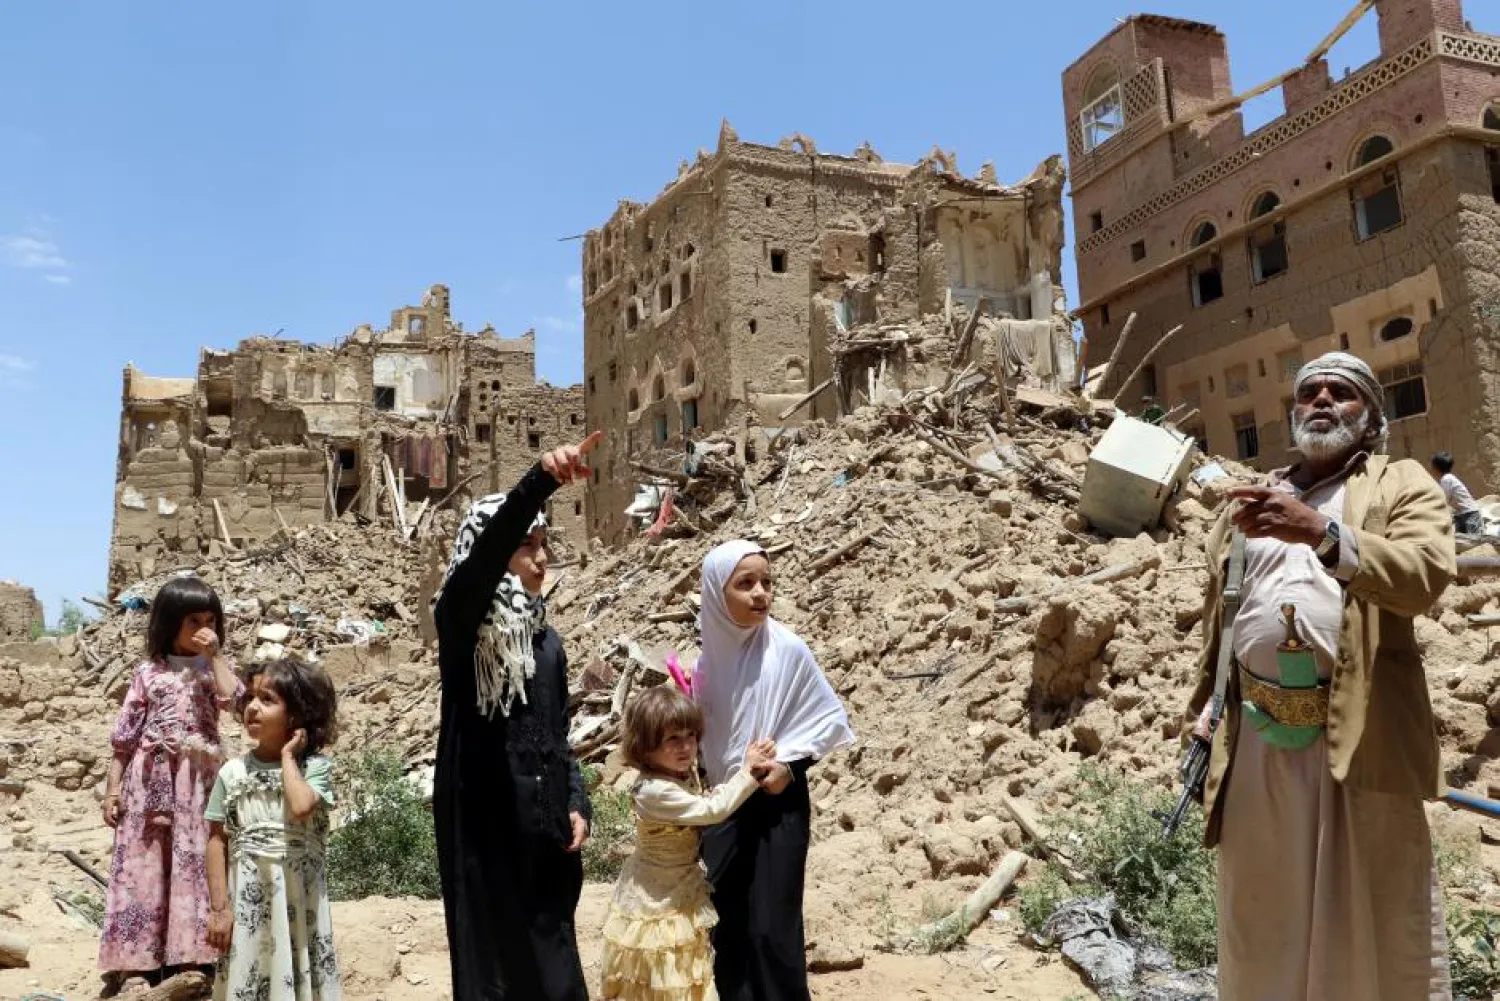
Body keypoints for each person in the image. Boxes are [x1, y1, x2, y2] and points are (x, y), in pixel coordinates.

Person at [1187, 351, 1456, 1000]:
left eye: (1342, 393)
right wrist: (1205, 716)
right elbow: (1222, 618)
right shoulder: (1253, 502)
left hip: (1358, 742)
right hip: (1256, 743)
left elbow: (1425, 574)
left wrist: (1324, 535)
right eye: (1309, 392)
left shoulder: (1401, 484)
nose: (1322, 401)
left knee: (1371, 919)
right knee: (1263, 916)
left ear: (1370, 419)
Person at [431, 432, 601, 1001]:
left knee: (556, 972)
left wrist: (578, 803)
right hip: (486, 832)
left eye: (545, 543)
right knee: (496, 974)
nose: (542, 557)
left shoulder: (545, 640)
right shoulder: (463, 628)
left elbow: (559, 737)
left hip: (545, 833)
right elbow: (476, 571)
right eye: (527, 543)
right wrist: (539, 482)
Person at [696, 540, 855, 1001]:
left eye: (766, 582)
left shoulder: (787, 650)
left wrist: (789, 765)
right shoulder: (708, 663)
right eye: (745, 584)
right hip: (724, 805)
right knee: (727, 926)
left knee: (772, 929)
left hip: (776, 803)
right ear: (715, 594)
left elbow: (826, 719)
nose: (760, 593)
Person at [98, 577, 243, 992]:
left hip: (199, 784)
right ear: (169, 623)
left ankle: (193, 959)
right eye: (193, 620)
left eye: (210, 619)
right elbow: (123, 739)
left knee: (195, 864)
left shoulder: (214, 671)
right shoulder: (147, 674)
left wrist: (215, 657)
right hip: (148, 785)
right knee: (142, 868)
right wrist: (112, 791)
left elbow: (235, 702)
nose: (204, 628)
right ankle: (136, 966)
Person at [599, 686, 778, 1001]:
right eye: (672, 739)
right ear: (645, 745)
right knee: (662, 970)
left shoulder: (677, 774)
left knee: (682, 967)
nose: (686, 747)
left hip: (679, 889)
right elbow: (712, 810)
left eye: (691, 736)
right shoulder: (653, 790)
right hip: (658, 900)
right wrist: (747, 772)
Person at [205, 659, 341, 1001]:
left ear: (296, 716)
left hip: (301, 903)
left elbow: (300, 806)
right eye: (250, 697)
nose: (252, 707)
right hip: (250, 905)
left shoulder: (315, 769)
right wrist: (220, 910)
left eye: (267, 700)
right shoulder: (232, 773)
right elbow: (215, 841)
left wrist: (287, 758)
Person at [1432, 451, 1483, 535]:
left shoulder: (1446, 479)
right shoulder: (1448, 478)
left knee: (1474, 541)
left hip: (1470, 514)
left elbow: (1444, 500)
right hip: (1461, 514)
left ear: (1436, 468)